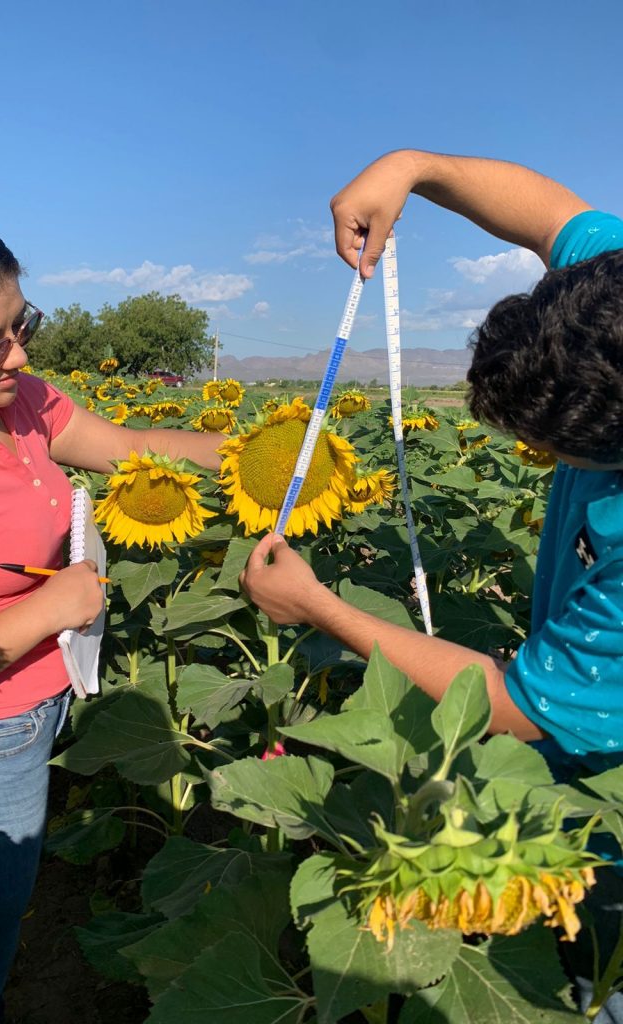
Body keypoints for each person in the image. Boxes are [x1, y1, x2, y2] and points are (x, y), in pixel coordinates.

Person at [239, 149, 623, 1020]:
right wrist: (413, 167)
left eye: (554, 449)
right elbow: (549, 212)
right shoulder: (610, 293)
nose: (541, 463)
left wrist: (319, 609)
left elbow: (511, 706)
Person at [0, 198, 222, 1020]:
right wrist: (52, 605)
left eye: (23, 325)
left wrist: (265, 454)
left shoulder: (12, 395)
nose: (16, 355)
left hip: (35, 707)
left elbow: (127, 447)